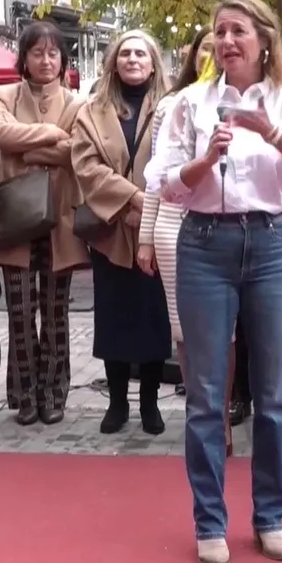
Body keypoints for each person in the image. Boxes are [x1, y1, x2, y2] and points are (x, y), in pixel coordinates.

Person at [147, 0, 282, 563]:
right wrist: (204, 160)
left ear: (264, 40)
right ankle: (209, 522)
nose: (227, 41)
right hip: (205, 244)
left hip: (272, 242)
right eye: (220, 31)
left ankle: (270, 517)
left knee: (273, 395)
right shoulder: (189, 102)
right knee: (207, 396)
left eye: (238, 31)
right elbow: (162, 180)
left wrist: (270, 132)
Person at [0, 21, 87, 426]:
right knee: (19, 310)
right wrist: (51, 133)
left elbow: (76, 151)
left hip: (60, 215)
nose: (45, 60)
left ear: (63, 60)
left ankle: (53, 393)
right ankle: (24, 394)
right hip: (14, 214)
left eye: (53, 53)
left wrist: (29, 148)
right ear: (25, 58)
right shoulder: (4, 94)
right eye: (37, 52)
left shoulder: (77, 103)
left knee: (55, 311)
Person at [72, 30, 172, 435]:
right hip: (111, 228)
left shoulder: (172, 106)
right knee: (114, 318)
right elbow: (86, 165)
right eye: (125, 53)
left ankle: (150, 403)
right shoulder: (91, 110)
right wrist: (133, 200)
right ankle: (117, 402)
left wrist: (150, 210)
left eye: (140, 54)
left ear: (153, 64)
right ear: (113, 62)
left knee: (154, 318)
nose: (132, 59)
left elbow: (178, 161)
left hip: (158, 229)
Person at [137, 28, 217, 402]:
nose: (212, 55)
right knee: (181, 327)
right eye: (205, 48)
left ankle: (221, 412)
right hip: (172, 225)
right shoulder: (170, 105)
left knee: (224, 331)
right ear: (193, 54)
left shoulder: (244, 101)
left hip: (221, 224)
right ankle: (198, 408)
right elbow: (156, 176)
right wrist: (145, 238)